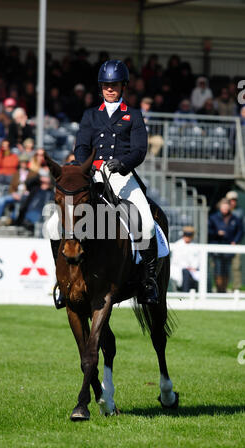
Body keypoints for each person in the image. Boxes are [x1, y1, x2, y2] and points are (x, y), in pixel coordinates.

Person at [72, 59, 158, 305]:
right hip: (94, 175)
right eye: (106, 85)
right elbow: (81, 147)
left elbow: (140, 150)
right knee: (63, 219)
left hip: (122, 176)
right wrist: (84, 168)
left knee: (146, 222)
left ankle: (148, 281)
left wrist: (122, 163)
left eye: (115, 84)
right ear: (101, 87)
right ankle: (64, 280)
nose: (110, 88)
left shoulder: (133, 115)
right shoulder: (90, 115)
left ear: (123, 86)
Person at [0, 154, 36, 226]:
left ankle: (13, 219)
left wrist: (25, 193)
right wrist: (13, 193)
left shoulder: (33, 174)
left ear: (27, 163)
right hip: (16, 194)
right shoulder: (16, 173)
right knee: (1, 200)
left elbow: (34, 187)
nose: (23, 164)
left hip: (26, 195)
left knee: (20, 204)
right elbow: (11, 187)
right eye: (22, 162)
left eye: (25, 162)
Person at [208, 198, 244, 293]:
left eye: (227, 208)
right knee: (218, 269)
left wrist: (235, 241)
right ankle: (220, 289)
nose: (225, 210)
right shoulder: (213, 217)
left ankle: (224, 289)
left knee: (226, 270)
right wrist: (217, 233)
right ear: (220, 207)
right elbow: (208, 230)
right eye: (224, 208)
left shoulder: (234, 218)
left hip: (229, 248)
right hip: (216, 247)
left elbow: (240, 231)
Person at [170, 226, 200, 292]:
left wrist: (193, 267)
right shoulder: (177, 245)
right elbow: (176, 261)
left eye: (189, 235)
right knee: (185, 272)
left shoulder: (194, 246)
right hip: (179, 269)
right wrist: (187, 267)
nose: (187, 237)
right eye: (186, 234)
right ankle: (184, 293)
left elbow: (197, 260)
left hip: (193, 270)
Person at [225, 190, 245, 291]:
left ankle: (236, 288)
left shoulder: (240, 212)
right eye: (231, 200)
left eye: (234, 200)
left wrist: (235, 241)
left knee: (236, 267)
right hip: (223, 244)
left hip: (235, 244)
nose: (233, 202)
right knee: (222, 266)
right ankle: (222, 288)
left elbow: (241, 229)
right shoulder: (222, 210)